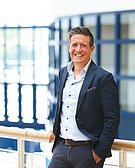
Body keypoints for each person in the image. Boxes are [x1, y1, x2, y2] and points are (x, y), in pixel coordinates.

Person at [48, 26, 120, 168]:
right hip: (61, 148)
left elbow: (112, 119)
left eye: (83, 45)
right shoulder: (63, 72)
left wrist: (99, 153)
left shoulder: (103, 78)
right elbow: (62, 107)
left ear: (92, 48)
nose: (78, 49)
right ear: (69, 47)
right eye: (75, 45)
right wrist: (56, 131)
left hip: (87, 152)